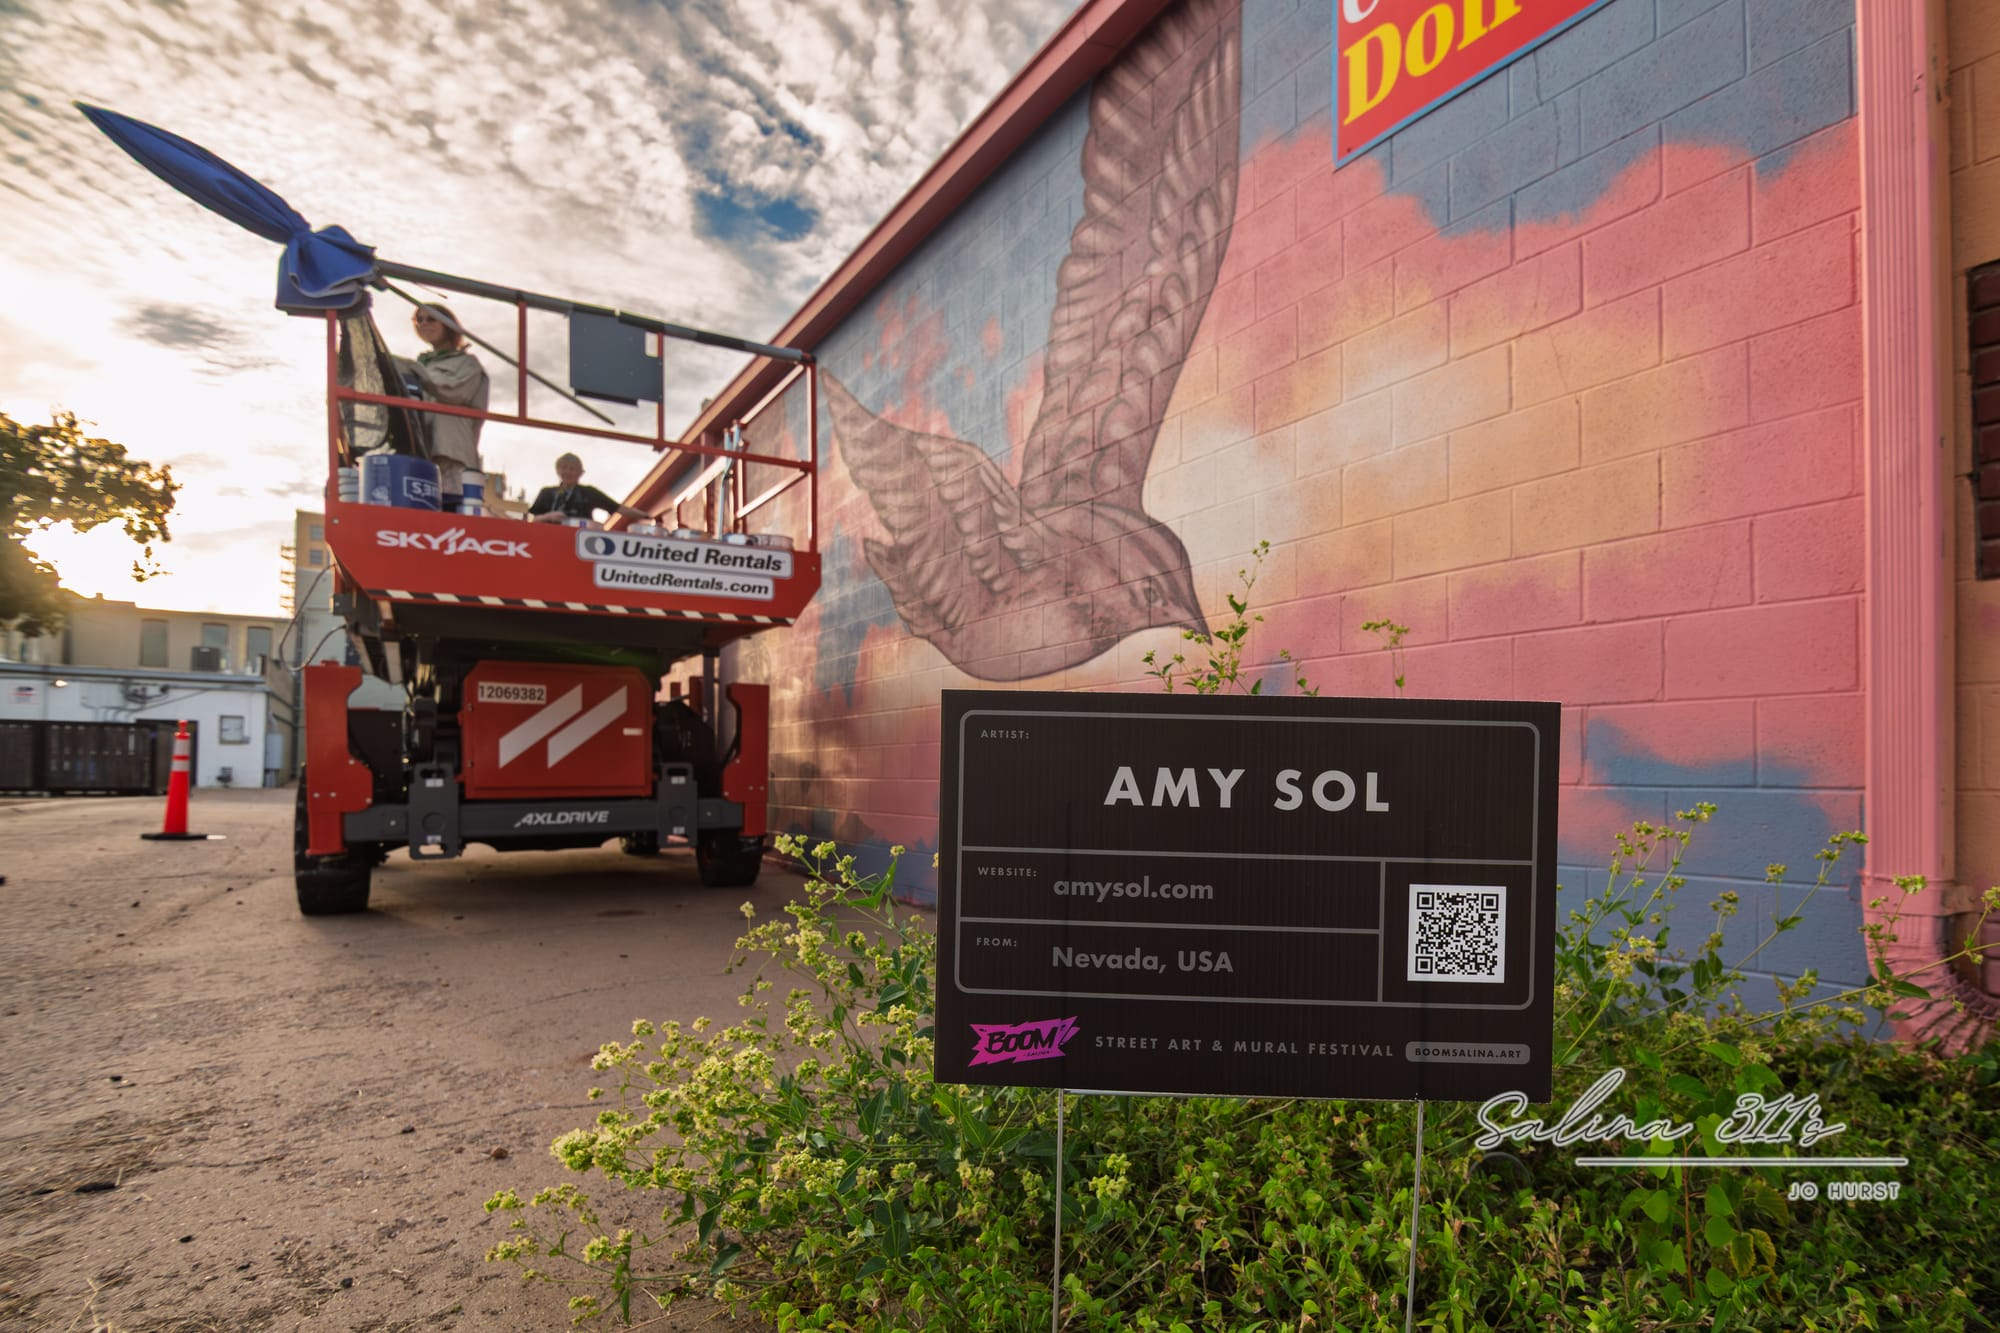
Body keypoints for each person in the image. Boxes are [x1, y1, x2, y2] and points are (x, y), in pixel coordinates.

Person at [393, 303, 488, 508]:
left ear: (448, 324)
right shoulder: (423, 364)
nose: (424, 323)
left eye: (431, 319)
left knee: (451, 511)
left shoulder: (467, 363)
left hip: (452, 454)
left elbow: (453, 391)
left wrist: (411, 369)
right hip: (423, 453)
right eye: (419, 319)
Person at [528, 452, 652, 525]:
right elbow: (531, 519)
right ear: (557, 470)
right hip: (549, 539)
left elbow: (618, 508)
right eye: (564, 468)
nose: (567, 472)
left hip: (580, 541)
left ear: (580, 473)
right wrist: (548, 516)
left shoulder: (589, 492)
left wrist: (647, 516)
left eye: (572, 469)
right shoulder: (547, 492)